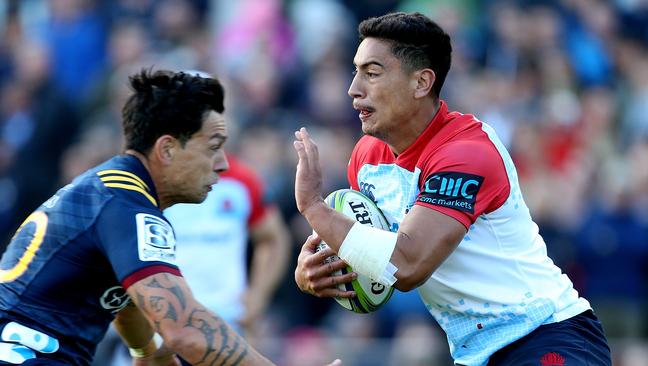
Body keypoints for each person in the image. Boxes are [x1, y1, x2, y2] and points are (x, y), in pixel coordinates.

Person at [292, 12, 611, 366]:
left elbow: (406, 264)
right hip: (473, 353)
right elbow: (374, 260)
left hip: (545, 334)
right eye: (355, 71)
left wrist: (314, 209)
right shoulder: (366, 157)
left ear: (421, 83)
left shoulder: (466, 153)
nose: (354, 88)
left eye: (372, 73)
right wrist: (318, 269)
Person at [0, 69, 340, 366]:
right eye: (213, 146)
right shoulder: (127, 208)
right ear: (166, 149)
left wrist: (147, 349)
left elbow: (128, 294)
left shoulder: (114, 192)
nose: (222, 163)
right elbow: (187, 330)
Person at [165, 152, 291, 337]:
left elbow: (272, 239)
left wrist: (258, 294)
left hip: (228, 318)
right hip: (167, 318)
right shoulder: (160, 181)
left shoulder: (242, 180)